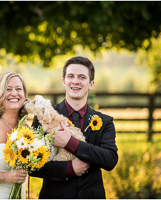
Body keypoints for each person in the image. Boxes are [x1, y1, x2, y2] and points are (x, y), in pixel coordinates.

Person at [29, 56, 118, 198]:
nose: (75, 81)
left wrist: (70, 143)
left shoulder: (104, 121)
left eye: (82, 77)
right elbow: (31, 165)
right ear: (64, 81)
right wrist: (68, 169)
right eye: (71, 76)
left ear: (91, 84)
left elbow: (110, 159)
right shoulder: (43, 116)